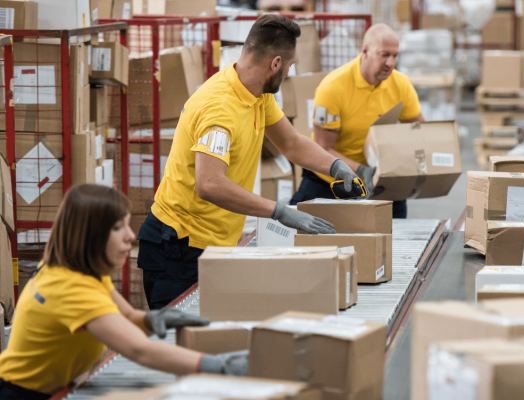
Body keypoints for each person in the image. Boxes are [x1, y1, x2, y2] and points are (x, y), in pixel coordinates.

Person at [138, 15, 361, 309]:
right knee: (181, 345)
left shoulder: (256, 94)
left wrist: (334, 167)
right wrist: (278, 211)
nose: (289, 74)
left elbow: (291, 143)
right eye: (290, 67)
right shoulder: (219, 108)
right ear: (276, 63)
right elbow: (209, 184)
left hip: (211, 245)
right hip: (179, 248)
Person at [0, 185, 247, 400]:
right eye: (119, 228)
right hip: (24, 395)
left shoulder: (77, 272)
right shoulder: (69, 287)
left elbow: (127, 317)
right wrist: (218, 366)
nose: (131, 236)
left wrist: (152, 319)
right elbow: (139, 350)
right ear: (90, 236)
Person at [289, 23, 425, 218]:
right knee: (298, 230)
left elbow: (419, 130)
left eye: (395, 55)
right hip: (331, 181)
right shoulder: (334, 87)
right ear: (365, 51)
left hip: (378, 181)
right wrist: (361, 171)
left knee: (396, 237)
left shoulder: (400, 85)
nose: (391, 63)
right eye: (384, 55)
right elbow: (323, 148)